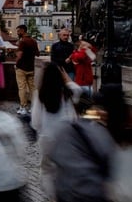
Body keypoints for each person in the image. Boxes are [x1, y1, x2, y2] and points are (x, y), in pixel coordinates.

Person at [30, 63, 81, 201]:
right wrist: (66, 78)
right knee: (65, 169)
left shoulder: (40, 95)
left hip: (47, 138)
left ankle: (53, 197)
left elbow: (35, 122)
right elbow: (78, 89)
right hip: (67, 138)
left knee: (47, 171)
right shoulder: (67, 92)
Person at [14, 24, 38, 115]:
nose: (17, 32)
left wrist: (16, 64)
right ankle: (34, 107)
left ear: (23, 31)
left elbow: (19, 55)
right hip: (31, 67)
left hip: (21, 67)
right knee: (32, 88)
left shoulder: (22, 41)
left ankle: (23, 107)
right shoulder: (33, 41)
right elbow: (38, 54)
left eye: (19, 31)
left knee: (22, 88)